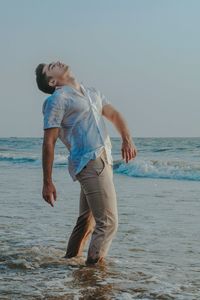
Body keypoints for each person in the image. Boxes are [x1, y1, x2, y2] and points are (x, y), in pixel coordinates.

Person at [35, 61, 137, 265]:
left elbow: (114, 115)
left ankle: (70, 262)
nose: (56, 62)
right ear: (53, 81)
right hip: (89, 162)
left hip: (104, 159)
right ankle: (92, 275)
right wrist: (47, 181)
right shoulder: (57, 100)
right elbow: (49, 142)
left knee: (86, 223)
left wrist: (127, 138)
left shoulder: (92, 92)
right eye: (50, 68)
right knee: (108, 223)